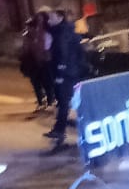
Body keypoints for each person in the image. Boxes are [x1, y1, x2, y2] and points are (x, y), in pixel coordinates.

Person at [43, 8, 88, 152]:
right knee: (65, 102)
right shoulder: (63, 30)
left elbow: (63, 54)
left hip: (67, 74)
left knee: (64, 102)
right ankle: (59, 130)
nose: (49, 20)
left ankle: (61, 131)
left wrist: (60, 74)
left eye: (51, 17)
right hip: (71, 72)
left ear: (60, 17)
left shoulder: (62, 33)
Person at [19, 14, 52, 111]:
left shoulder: (41, 35)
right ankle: (43, 101)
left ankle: (47, 101)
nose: (27, 28)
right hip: (35, 63)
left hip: (40, 62)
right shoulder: (29, 37)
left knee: (43, 83)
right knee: (38, 83)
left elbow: (45, 49)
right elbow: (25, 50)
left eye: (29, 26)